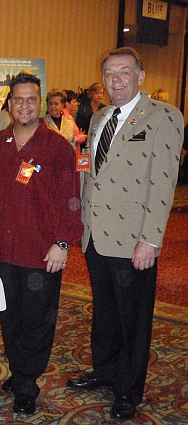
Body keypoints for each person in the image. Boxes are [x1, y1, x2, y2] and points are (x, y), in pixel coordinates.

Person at [67, 47, 183, 421]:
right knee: (105, 311)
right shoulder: (100, 116)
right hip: (96, 235)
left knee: (133, 318)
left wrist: (151, 239)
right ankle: (105, 369)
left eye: (124, 72)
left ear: (140, 76)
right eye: (110, 73)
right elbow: (90, 171)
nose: (116, 80)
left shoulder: (164, 116)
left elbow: (163, 182)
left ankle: (128, 389)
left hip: (134, 239)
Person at [0, 72, 82, 415]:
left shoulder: (56, 145)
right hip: (5, 250)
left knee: (38, 320)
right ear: (9, 104)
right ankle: (18, 370)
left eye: (31, 99)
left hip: (42, 250)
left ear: (40, 102)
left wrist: (62, 242)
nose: (24, 105)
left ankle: (27, 383)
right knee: (10, 317)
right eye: (18, 99)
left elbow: (71, 197)